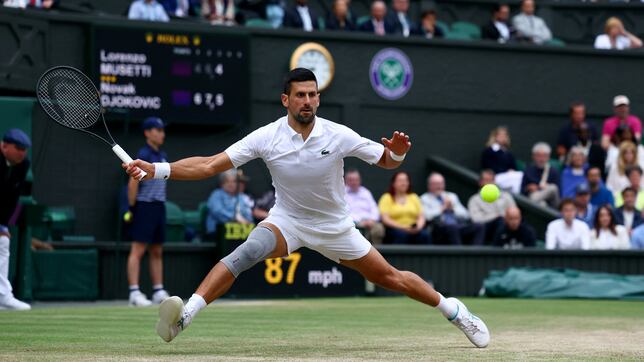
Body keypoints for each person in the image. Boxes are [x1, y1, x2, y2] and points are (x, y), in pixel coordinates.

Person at [124, 68, 489, 347]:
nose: (308, 101)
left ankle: (454, 310)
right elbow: (209, 165)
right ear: (286, 100)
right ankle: (185, 316)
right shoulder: (266, 137)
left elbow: (388, 163)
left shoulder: (337, 134)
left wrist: (397, 152)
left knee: (389, 278)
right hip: (288, 220)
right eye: (300, 95)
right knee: (249, 249)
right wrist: (156, 169)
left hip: (335, 227)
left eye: (313, 95)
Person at [127, 117, 171, 307]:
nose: (161, 133)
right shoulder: (143, 154)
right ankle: (134, 293)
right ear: (147, 133)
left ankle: (158, 290)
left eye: (162, 130)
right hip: (144, 206)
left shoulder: (162, 154)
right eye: (157, 130)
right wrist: (132, 207)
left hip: (159, 206)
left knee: (156, 251)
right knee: (137, 250)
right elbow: (132, 182)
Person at [0, 129, 32, 310]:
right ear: (4, 146)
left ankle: (3, 296)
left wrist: (3, 224)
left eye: (24, 149)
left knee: (3, 241)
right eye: (18, 148)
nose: (22, 152)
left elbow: (12, 197)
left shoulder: (23, 164)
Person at [421, 173, 484, 246]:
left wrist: (453, 208)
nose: (439, 186)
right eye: (436, 184)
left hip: (457, 226)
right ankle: (459, 255)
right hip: (439, 229)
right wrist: (442, 208)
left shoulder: (452, 196)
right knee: (452, 227)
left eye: (441, 183)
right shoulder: (424, 198)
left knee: (479, 226)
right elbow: (427, 216)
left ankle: (475, 254)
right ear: (429, 185)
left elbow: (466, 215)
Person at [378, 171, 430, 244]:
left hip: (414, 229)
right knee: (401, 235)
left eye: (406, 180)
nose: (404, 183)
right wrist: (403, 227)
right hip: (395, 230)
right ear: (393, 183)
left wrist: (419, 227)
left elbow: (421, 216)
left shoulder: (414, 197)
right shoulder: (387, 197)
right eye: (400, 181)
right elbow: (385, 219)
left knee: (424, 235)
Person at [467, 169, 516, 243]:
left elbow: (515, 213)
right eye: (486, 180)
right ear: (480, 182)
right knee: (500, 221)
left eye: (491, 180)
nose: (490, 183)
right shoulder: (474, 200)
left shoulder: (506, 196)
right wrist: (496, 217)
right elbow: (476, 220)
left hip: (507, 227)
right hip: (486, 230)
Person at [205, 169, 254, 237]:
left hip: (239, 232)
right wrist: (235, 218)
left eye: (233, 181)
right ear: (222, 184)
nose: (231, 184)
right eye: (227, 181)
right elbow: (217, 212)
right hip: (219, 232)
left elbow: (247, 214)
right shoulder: (216, 194)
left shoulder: (240, 197)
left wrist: (248, 222)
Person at [345, 169, 385, 244]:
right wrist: (360, 221)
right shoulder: (342, 193)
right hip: (353, 223)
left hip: (370, 222)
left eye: (356, 180)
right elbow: (344, 212)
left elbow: (374, 209)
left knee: (379, 228)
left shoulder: (366, 192)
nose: (354, 182)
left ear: (359, 180)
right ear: (346, 181)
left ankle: (376, 252)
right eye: (351, 180)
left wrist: (372, 220)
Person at [480, 126, 522, 193]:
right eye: (500, 135)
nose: (503, 137)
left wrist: (511, 171)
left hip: (508, 176)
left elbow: (513, 166)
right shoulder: (489, 151)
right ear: (495, 136)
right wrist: (506, 170)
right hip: (495, 177)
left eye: (504, 135)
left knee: (520, 175)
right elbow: (488, 167)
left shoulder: (508, 152)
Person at [521, 142, 560, 208]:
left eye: (544, 156)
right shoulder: (528, 170)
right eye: (539, 156)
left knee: (553, 188)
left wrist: (541, 187)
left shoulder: (553, 172)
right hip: (534, 203)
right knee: (542, 204)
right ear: (533, 156)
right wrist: (528, 188)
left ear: (548, 157)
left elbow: (558, 193)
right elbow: (522, 191)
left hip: (552, 204)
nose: (541, 159)